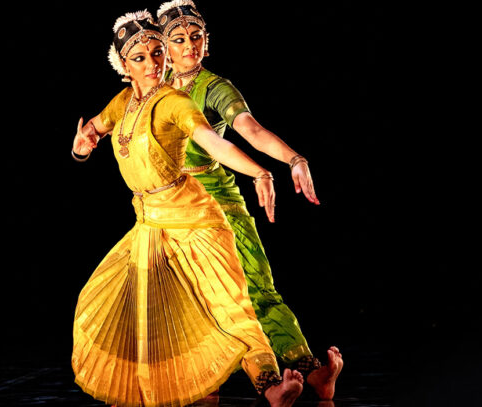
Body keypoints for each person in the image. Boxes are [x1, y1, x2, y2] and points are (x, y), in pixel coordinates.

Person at [71, 10, 305, 407]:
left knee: (231, 303)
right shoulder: (124, 101)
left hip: (195, 220)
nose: (153, 64)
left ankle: (270, 387)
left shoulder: (175, 101)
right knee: (145, 310)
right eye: (141, 57)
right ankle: (168, 388)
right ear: (124, 66)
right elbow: (95, 126)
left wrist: (261, 173)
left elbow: (217, 143)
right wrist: (83, 144)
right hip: (150, 224)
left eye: (157, 53)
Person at [155, 0, 342, 399]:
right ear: (164, 47)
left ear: (207, 42)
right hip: (169, 208)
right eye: (178, 39)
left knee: (254, 285)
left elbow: (250, 130)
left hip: (217, 202)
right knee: (189, 297)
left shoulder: (216, 88)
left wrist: (294, 158)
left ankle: (308, 371)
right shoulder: (153, 91)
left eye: (196, 37)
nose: (189, 45)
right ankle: (206, 380)